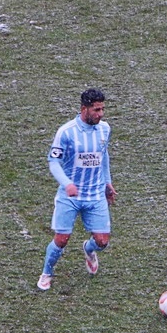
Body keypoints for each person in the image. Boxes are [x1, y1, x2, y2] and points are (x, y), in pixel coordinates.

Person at [37, 88, 116, 291]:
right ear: (84, 109)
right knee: (61, 240)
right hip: (70, 196)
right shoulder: (66, 132)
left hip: (96, 194)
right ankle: (47, 272)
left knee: (102, 241)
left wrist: (108, 183)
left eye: (102, 109)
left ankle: (88, 249)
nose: (100, 114)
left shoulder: (105, 129)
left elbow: (103, 156)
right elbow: (53, 161)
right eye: (96, 110)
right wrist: (67, 184)